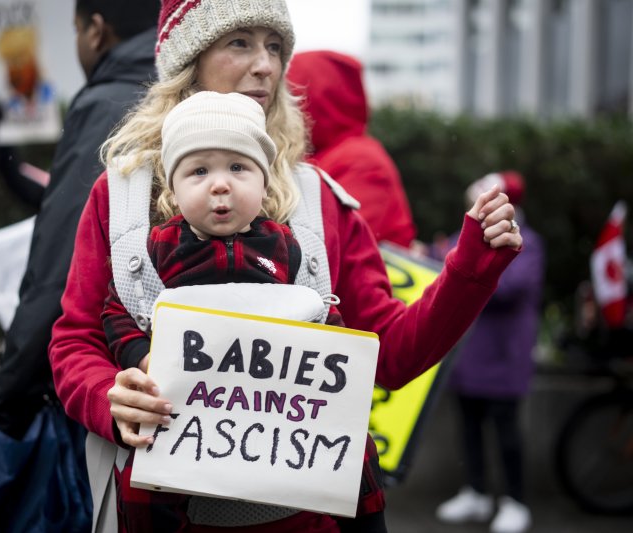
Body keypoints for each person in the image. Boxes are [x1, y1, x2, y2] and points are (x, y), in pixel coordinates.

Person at [48, 1, 523, 531]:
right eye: (240, 43)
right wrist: (106, 398)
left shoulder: (323, 201)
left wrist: (471, 270)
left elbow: (386, 356)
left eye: (275, 46)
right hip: (160, 515)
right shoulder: (119, 194)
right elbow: (75, 341)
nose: (266, 65)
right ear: (188, 61)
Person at [0, 1, 160, 531]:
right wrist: (5, 154)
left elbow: (61, 268)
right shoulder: (177, 93)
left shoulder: (110, 103)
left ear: (96, 31)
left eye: (77, 30)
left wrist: (5, 394)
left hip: (101, 401)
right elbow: (63, 208)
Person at [103, 89, 343, 374]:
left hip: (268, 400)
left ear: (264, 186)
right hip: (188, 402)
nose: (220, 184)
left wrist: (335, 360)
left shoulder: (285, 247)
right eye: (200, 171)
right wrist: (144, 359)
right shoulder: (160, 249)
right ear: (174, 191)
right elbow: (119, 312)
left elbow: (321, 312)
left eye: (237, 167)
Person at [434, 171, 544, 533]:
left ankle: (515, 500)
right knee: (469, 428)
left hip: (503, 355)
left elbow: (509, 285)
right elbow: (441, 270)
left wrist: (464, 268)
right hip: (467, 355)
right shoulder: (464, 235)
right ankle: (476, 492)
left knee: (507, 433)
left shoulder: (528, 241)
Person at [286, 50, 416, 248]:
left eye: (291, 98)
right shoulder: (329, 155)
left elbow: (333, 244)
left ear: (310, 101)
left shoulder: (360, 159)